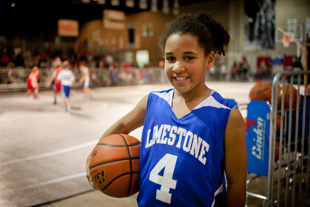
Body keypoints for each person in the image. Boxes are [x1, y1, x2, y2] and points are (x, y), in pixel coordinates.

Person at [86, 12, 247, 207]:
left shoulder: (227, 115)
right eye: (170, 58)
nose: (178, 67)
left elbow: (237, 184)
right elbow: (121, 125)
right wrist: (93, 159)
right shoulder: (152, 102)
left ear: (210, 59)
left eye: (188, 57)